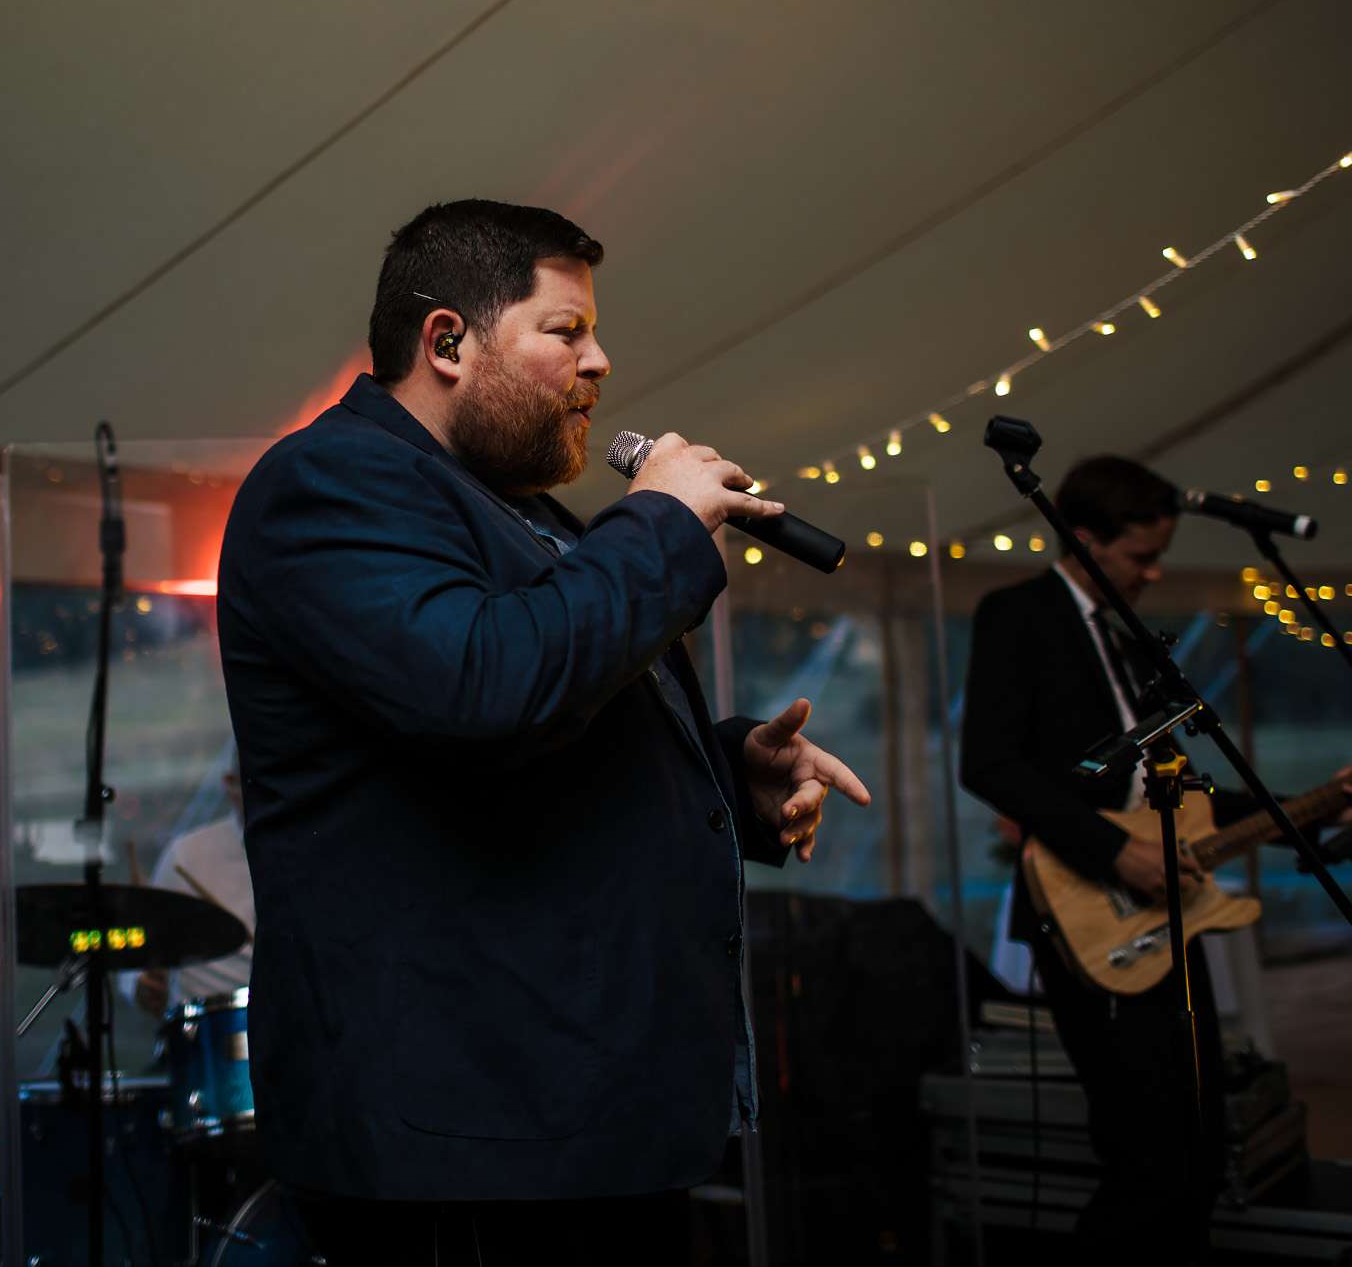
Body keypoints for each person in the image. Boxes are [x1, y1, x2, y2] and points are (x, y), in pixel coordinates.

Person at [216, 199, 870, 1265]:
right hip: (459, 1132)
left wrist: (724, 766)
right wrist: (658, 522)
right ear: (446, 343)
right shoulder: (329, 484)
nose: (600, 360)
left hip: (569, 1118)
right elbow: (483, 689)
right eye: (565, 331)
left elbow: (556, 714)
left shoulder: (514, 507)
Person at [960, 455, 1352, 1263]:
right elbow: (987, 762)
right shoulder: (1020, 614)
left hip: (1163, 914)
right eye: (1139, 556)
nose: (1154, 572)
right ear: (1085, 540)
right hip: (1081, 903)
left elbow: (1176, 794)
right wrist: (1115, 851)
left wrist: (1312, 801)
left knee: (1195, 1144)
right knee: (1145, 1155)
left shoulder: (1122, 643)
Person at [125, 772, 254, 1018]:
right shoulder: (187, 855)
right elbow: (137, 950)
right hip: (211, 1032)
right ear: (230, 783)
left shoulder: (314, 849)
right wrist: (141, 982)